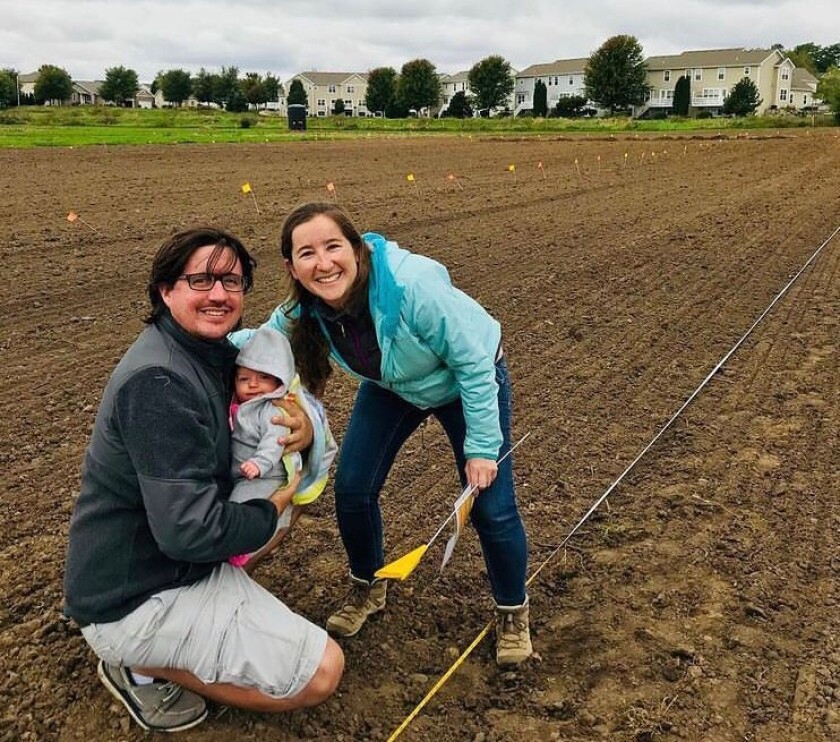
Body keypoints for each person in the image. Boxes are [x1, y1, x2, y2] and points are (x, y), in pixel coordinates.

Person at [63, 227, 344, 734]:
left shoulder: (209, 355)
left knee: (276, 507)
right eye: (201, 280)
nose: (219, 294)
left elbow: (283, 399)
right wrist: (271, 507)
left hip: (164, 559)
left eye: (231, 282)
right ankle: (135, 661)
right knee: (322, 673)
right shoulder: (159, 384)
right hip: (134, 596)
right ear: (165, 290)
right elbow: (188, 532)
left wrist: (303, 430)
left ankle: (201, 615)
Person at [234, 202, 532, 666]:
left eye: (333, 247)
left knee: (491, 507)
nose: (323, 263)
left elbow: (474, 363)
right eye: (307, 253)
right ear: (292, 267)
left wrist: (480, 449)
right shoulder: (304, 308)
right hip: (393, 386)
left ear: (357, 249)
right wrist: (200, 347)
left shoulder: (412, 287)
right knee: (353, 488)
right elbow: (260, 344)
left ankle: (512, 611)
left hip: (462, 381)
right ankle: (367, 587)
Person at [228, 325, 337, 568]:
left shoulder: (273, 411)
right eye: (244, 379)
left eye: (264, 378)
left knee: (243, 507)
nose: (253, 385)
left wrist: (260, 463)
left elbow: (275, 442)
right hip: (240, 469)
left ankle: (242, 550)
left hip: (263, 473)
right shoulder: (240, 405)